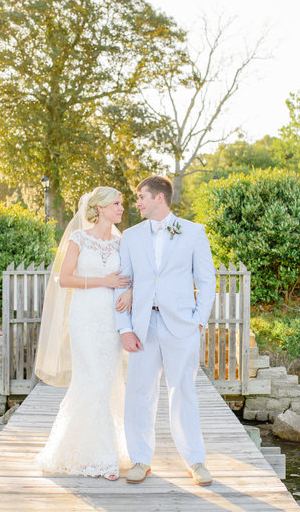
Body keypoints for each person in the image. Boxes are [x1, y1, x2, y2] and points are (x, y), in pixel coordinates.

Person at [114, 176, 216, 486]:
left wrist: (198, 320)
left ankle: (195, 461)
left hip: (182, 325)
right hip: (144, 326)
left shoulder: (193, 232)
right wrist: (125, 329)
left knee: (183, 393)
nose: (138, 202)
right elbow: (123, 282)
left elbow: (207, 280)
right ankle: (140, 460)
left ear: (160, 198)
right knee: (139, 394)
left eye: (142, 196)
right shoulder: (130, 237)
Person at [34, 187, 133, 480]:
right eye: (116, 203)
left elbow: (129, 277)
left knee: (109, 381)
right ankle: (101, 459)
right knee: (91, 380)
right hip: (85, 317)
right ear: (100, 208)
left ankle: (99, 450)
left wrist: (128, 294)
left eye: (121, 203)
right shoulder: (79, 239)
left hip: (111, 319)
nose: (121, 207)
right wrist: (105, 280)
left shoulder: (121, 242)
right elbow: (65, 278)